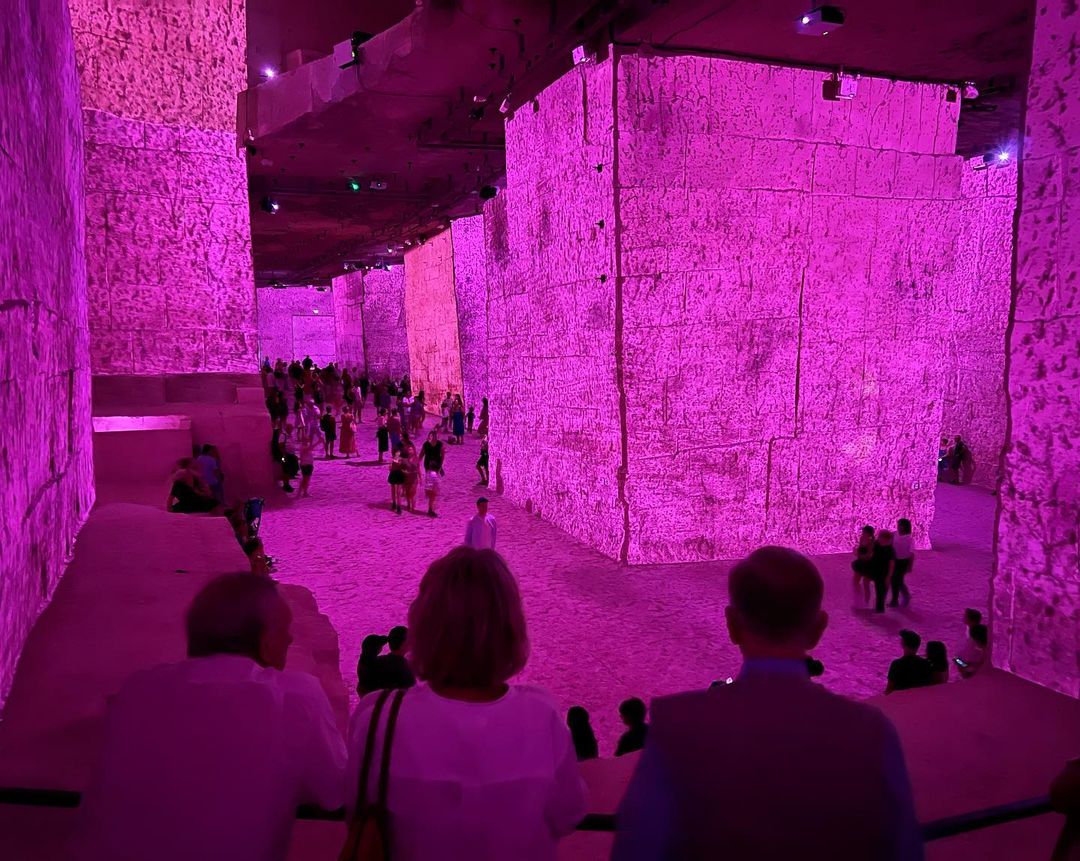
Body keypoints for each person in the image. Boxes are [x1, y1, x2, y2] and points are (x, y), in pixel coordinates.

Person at [612, 546, 922, 861]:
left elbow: (636, 849)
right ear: (818, 629)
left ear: (731, 625)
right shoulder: (873, 732)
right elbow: (903, 850)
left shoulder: (675, 728)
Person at [74, 575, 346, 861]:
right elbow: (334, 793)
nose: (290, 638)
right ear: (265, 641)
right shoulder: (296, 695)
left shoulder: (137, 690)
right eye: (285, 630)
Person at [345, 547, 586, 860]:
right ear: (511, 626)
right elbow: (568, 814)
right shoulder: (541, 715)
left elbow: (355, 813)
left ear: (423, 624)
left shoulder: (378, 718)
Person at [885, 629, 934, 694]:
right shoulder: (926, 664)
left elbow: (889, 690)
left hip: (900, 699)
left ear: (903, 644)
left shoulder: (897, 664)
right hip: (919, 698)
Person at [868, 529, 897, 614]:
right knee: (879, 590)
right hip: (877, 571)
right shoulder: (876, 545)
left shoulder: (890, 550)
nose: (879, 539)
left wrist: (888, 577)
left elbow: (891, 565)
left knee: (882, 591)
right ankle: (879, 608)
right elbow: (871, 555)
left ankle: (880, 609)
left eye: (881, 538)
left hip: (884, 573)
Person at [420, 430, 446, 518]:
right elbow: (421, 455)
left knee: (433, 489)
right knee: (433, 490)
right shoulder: (426, 445)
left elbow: (442, 455)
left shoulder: (439, 444)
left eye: (434, 436)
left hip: (436, 467)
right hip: (429, 468)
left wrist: (440, 466)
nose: (433, 438)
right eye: (431, 436)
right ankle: (431, 509)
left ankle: (431, 508)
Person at [890, 518, 915, 607]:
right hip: (894, 560)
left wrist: (910, 566)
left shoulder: (909, 539)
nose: (898, 527)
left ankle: (901, 597)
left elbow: (911, 554)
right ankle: (896, 599)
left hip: (903, 562)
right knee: (894, 580)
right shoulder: (894, 534)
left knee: (898, 580)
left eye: (900, 525)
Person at [851, 524, 874, 606]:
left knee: (865, 583)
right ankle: (859, 598)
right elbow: (860, 549)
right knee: (855, 582)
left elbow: (868, 556)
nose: (862, 533)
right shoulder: (862, 539)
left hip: (868, 565)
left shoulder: (872, 543)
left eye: (864, 532)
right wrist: (857, 552)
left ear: (869, 534)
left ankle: (867, 602)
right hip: (860, 563)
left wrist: (857, 554)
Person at [297, 425, 316, 498]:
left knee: (306, 479)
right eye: (306, 440)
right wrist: (318, 442)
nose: (307, 441)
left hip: (308, 464)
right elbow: (310, 448)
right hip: (305, 464)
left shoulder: (305, 446)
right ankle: (301, 493)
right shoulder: (303, 447)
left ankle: (304, 492)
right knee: (305, 479)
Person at [388, 444, 406, 514]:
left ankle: (399, 506)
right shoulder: (392, 459)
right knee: (393, 490)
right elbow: (390, 468)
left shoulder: (401, 459)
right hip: (393, 474)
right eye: (396, 452)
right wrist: (392, 464)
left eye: (398, 452)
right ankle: (394, 503)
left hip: (399, 474)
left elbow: (403, 466)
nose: (398, 453)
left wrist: (399, 464)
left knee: (398, 491)